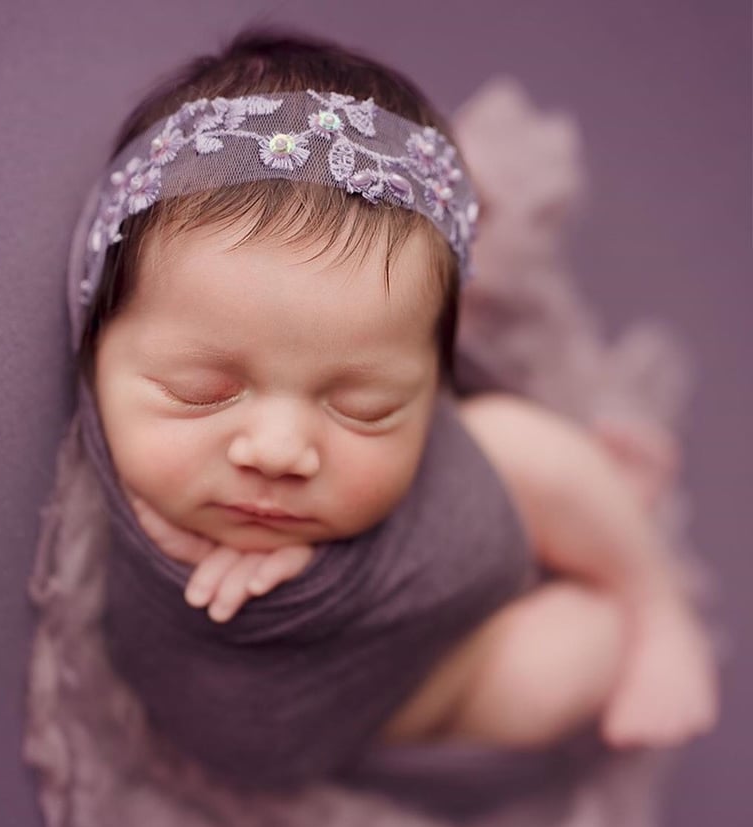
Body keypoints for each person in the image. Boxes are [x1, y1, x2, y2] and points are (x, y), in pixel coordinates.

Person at [76, 26, 718, 766]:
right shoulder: (108, 483)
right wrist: (298, 594)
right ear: (96, 335)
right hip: (422, 694)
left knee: (515, 442)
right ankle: (597, 522)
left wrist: (317, 562)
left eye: (366, 408)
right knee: (564, 666)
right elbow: (226, 717)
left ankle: (652, 595)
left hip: (470, 563)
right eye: (203, 391)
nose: (281, 452)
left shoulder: (450, 433)